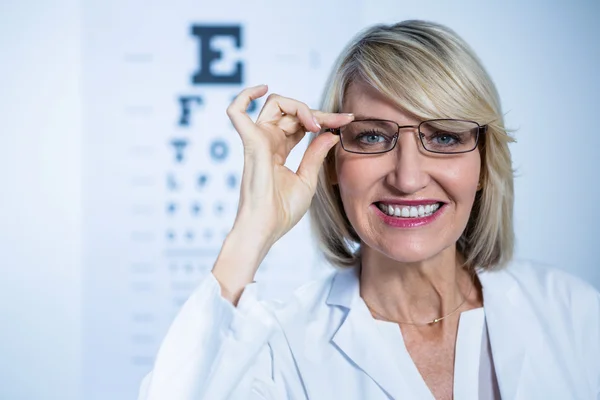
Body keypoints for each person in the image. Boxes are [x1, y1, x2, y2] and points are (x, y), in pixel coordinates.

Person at [138, 20, 600, 399]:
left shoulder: (572, 313)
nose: (408, 177)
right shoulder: (277, 347)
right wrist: (251, 230)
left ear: (483, 164)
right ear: (332, 161)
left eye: (444, 137)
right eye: (373, 137)